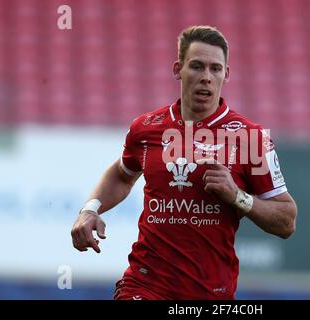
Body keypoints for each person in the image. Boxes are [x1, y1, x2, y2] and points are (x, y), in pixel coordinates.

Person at [71, 25, 298, 300]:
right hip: (145, 285)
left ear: (226, 75)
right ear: (178, 69)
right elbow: (122, 174)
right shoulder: (146, 128)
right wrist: (90, 209)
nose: (206, 77)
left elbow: (286, 221)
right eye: (197, 66)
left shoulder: (250, 138)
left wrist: (237, 196)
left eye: (215, 69)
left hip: (210, 291)